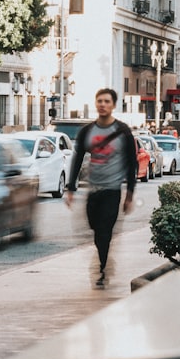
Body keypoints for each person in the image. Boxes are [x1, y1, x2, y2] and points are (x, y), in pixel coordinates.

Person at [65, 88, 137, 288]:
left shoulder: (123, 131)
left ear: (113, 105)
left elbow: (132, 163)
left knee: (104, 231)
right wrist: (71, 188)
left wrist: (130, 194)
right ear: (96, 104)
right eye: (100, 101)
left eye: (107, 101)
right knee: (95, 229)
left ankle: (102, 270)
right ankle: (103, 257)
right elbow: (78, 159)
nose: (103, 105)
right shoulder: (87, 131)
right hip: (93, 190)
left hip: (112, 191)